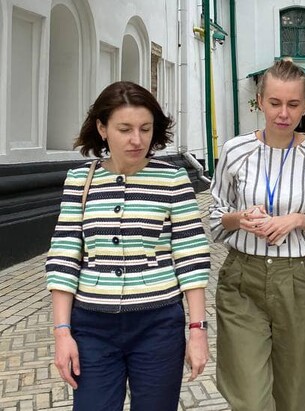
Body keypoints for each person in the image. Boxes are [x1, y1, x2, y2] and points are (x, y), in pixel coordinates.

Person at [45, 81, 211, 411]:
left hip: (158, 324)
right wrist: (62, 333)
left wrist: (197, 331)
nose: (137, 140)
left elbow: (191, 259)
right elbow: (64, 257)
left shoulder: (173, 180)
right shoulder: (79, 180)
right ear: (102, 129)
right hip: (91, 327)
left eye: (145, 129)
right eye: (125, 129)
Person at [209, 59, 305, 411]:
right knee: (250, 398)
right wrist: (240, 218)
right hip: (243, 278)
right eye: (275, 103)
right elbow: (214, 215)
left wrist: (298, 219)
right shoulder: (235, 151)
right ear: (260, 100)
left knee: (296, 396)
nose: (283, 113)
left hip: (300, 279)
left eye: (293, 104)